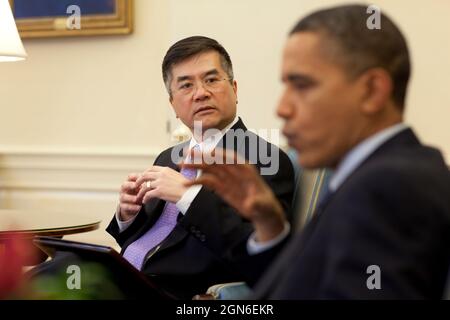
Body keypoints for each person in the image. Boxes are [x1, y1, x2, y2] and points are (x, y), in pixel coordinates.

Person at [185, 5, 450, 299]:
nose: (282, 108)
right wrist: (269, 226)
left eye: (302, 85)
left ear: (372, 91)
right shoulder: (375, 174)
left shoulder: (390, 186)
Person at [106, 36, 295, 299]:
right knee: (55, 270)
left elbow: (257, 255)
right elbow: (152, 243)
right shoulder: (167, 157)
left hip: (182, 295)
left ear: (235, 89)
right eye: (186, 85)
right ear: (173, 104)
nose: (201, 93)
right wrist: (127, 217)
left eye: (211, 80)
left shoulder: (265, 159)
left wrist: (187, 197)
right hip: (125, 279)